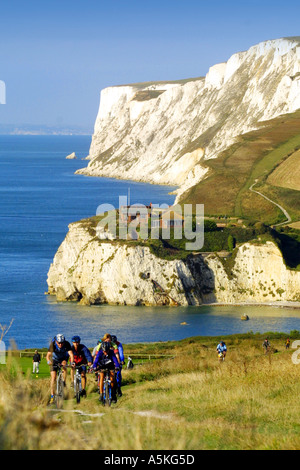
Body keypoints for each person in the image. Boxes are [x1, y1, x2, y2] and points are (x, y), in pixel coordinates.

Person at [46, 334, 74, 405]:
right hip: (54, 360)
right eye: (59, 343)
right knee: (53, 378)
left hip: (63, 359)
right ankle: (52, 396)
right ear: (56, 341)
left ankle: (63, 382)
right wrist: (48, 361)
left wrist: (72, 362)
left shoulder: (67, 344)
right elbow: (48, 355)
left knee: (64, 366)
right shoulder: (53, 344)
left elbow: (71, 354)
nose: (60, 344)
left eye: (62, 343)